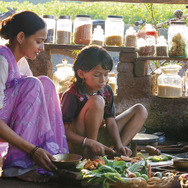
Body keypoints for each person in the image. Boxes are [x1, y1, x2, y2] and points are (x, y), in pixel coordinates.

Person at [0, 11, 69, 183]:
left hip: (9, 122)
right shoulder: (1, 61)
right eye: (38, 41)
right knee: (34, 84)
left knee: (45, 83)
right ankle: (18, 165)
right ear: (21, 37)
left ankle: (53, 159)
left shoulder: (21, 62)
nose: (42, 48)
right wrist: (32, 150)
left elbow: (35, 101)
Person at [61, 45, 148, 159]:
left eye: (106, 74)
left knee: (140, 110)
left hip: (100, 136)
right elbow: (63, 132)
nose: (103, 80)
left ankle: (117, 152)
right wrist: (90, 143)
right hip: (82, 143)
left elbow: (110, 122)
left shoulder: (106, 90)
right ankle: (92, 154)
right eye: (97, 75)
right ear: (81, 74)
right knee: (97, 100)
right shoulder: (72, 94)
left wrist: (119, 144)